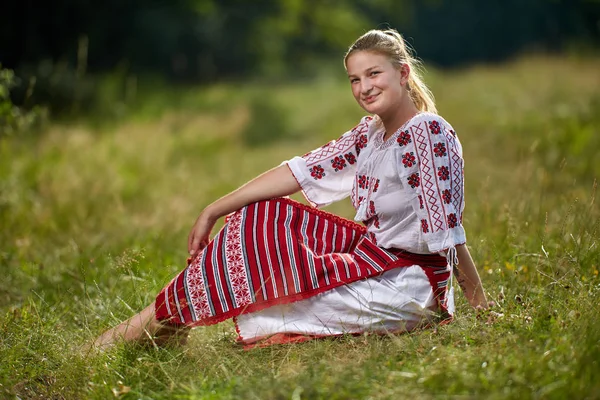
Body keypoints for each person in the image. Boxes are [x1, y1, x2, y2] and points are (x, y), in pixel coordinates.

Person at [91, 29, 489, 351]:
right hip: (373, 257)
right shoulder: (371, 133)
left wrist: (481, 312)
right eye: (355, 78)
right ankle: (166, 323)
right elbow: (298, 172)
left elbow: (447, 235)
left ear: (402, 74)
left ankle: (143, 331)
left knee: (281, 303)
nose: (364, 87)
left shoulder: (426, 131)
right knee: (257, 215)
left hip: (410, 282)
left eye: (374, 74)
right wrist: (213, 209)